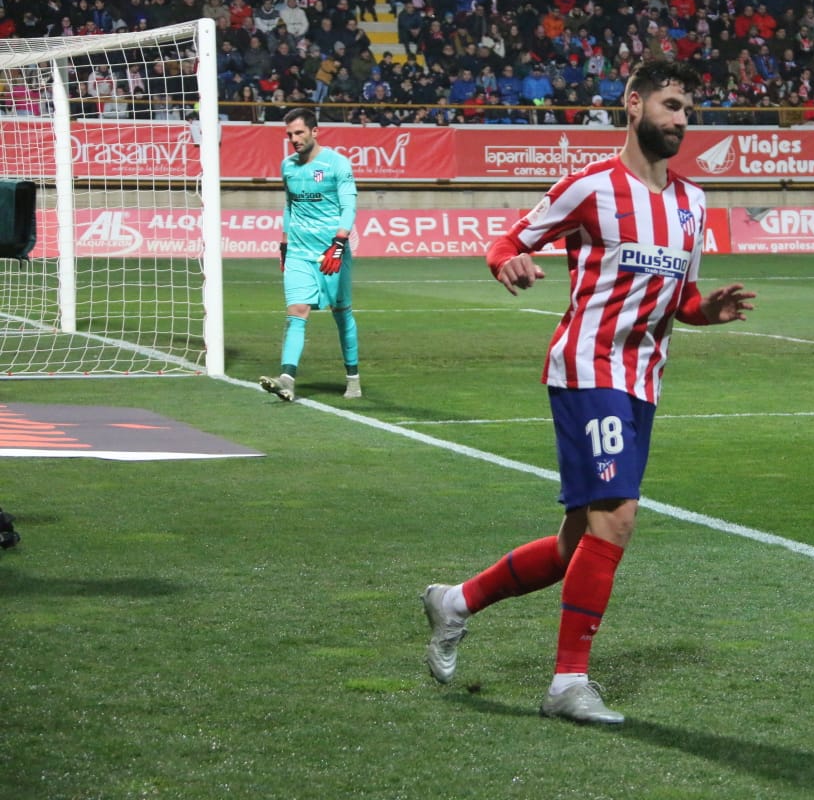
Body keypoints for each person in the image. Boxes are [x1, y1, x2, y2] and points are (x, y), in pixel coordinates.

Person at [419, 61, 756, 725]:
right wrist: (507, 261)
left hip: (643, 381)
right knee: (618, 517)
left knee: (581, 542)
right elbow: (509, 241)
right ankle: (568, 682)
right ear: (633, 105)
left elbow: (679, 296)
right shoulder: (589, 188)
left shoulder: (693, 203)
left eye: (688, 110)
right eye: (670, 105)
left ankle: (455, 601)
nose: (681, 121)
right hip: (587, 366)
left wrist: (702, 311)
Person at [259, 108, 362, 402]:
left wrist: (339, 243)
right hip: (299, 253)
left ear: (315, 131)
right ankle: (287, 379)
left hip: (332, 252)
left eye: (299, 133)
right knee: (296, 313)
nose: (294, 139)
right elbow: (289, 205)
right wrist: (284, 243)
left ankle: (353, 378)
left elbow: (349, 207)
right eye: (290, 134)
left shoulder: (337, 164)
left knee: (341, 314)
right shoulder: (288, 166)